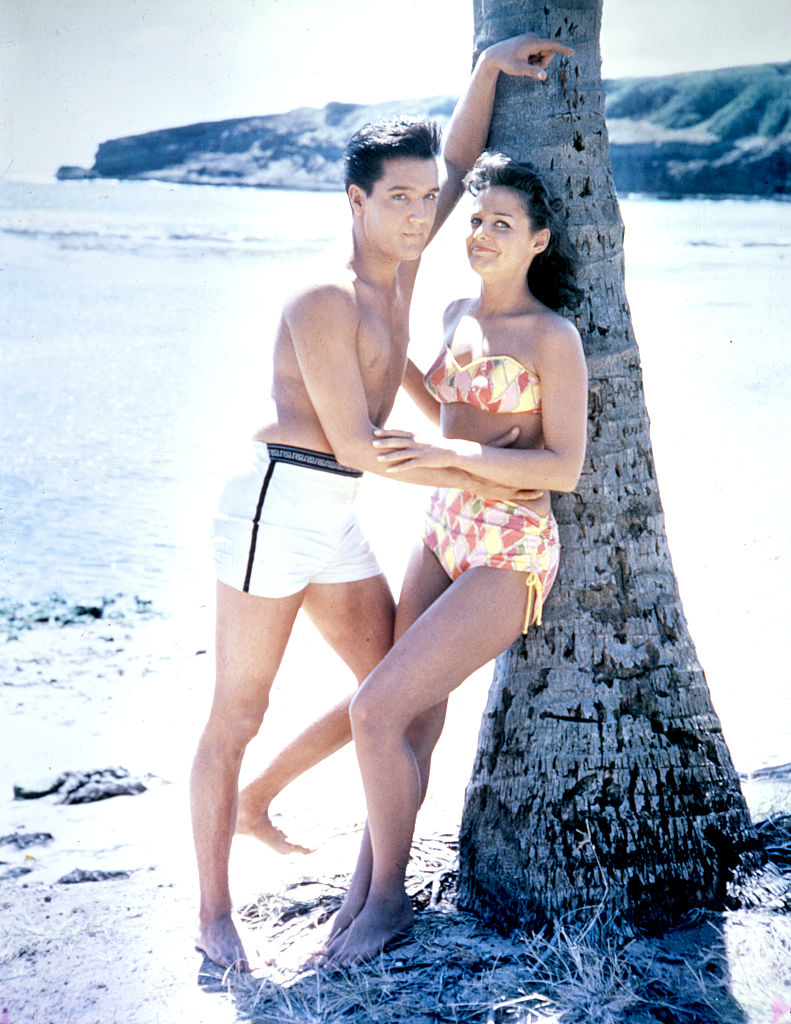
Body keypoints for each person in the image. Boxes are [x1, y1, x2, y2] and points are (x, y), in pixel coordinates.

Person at [191, 36, 573, 971]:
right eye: (393, 200)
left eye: (423, 203)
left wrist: (484, 73)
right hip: (280, 506)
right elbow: (361, 443)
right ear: (354, 203)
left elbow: (448, 162)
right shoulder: (325, 297)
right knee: (239, 711)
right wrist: (487, 470)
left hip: (346, 518)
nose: (419, 214)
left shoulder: (406, 272)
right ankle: (212, 913)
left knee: (392, 702)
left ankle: (351, 871)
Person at [321, 153, 588, 966]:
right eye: (474, 220)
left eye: (500, 224)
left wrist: (456, 454)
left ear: (538, 241)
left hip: (508, 549)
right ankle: (366, 886)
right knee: (405, 718)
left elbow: (563, 468)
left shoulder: (552, 336)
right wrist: (374, 354)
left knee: (373, 711)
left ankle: (390, 902)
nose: (479, 234)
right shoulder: (451, 314)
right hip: (443, 526)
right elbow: (442, 408)